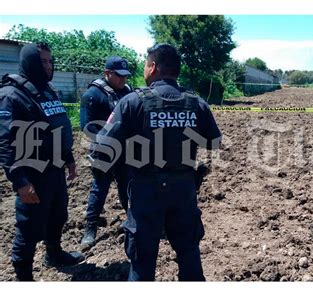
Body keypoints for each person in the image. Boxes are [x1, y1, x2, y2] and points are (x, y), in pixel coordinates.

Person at [92, 43, 221, 281]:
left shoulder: (132, 102)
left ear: (152, 67)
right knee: (189, 254)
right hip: (184, 189)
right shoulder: (196, 102)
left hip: (145, 191)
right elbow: (213, 142)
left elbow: (103, 145)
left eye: (144, 65)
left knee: (142, 264)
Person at [0, 42, 84, 281]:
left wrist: (68, 158)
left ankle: (54, 254)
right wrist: (20, 181)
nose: (47, 66)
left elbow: (58, 125)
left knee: (58, 216)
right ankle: (23, 276)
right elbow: (5, 143)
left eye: (50, 61)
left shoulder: (48, 90)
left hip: (55, 170)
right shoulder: (10, 95)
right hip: (32, 174)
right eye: (42, 61)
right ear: (29, 62)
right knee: (28, 228)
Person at [79, 56, 132, 247]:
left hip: (125, 152)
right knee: (99, 190)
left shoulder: (128, 92)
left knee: (127, 189)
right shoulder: (93, 95)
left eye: (125, 76)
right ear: (107, 73)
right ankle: (90, 228)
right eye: (119, 76)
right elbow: (86, 127)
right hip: (104, 152)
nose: (123, 80)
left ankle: (133, 222)